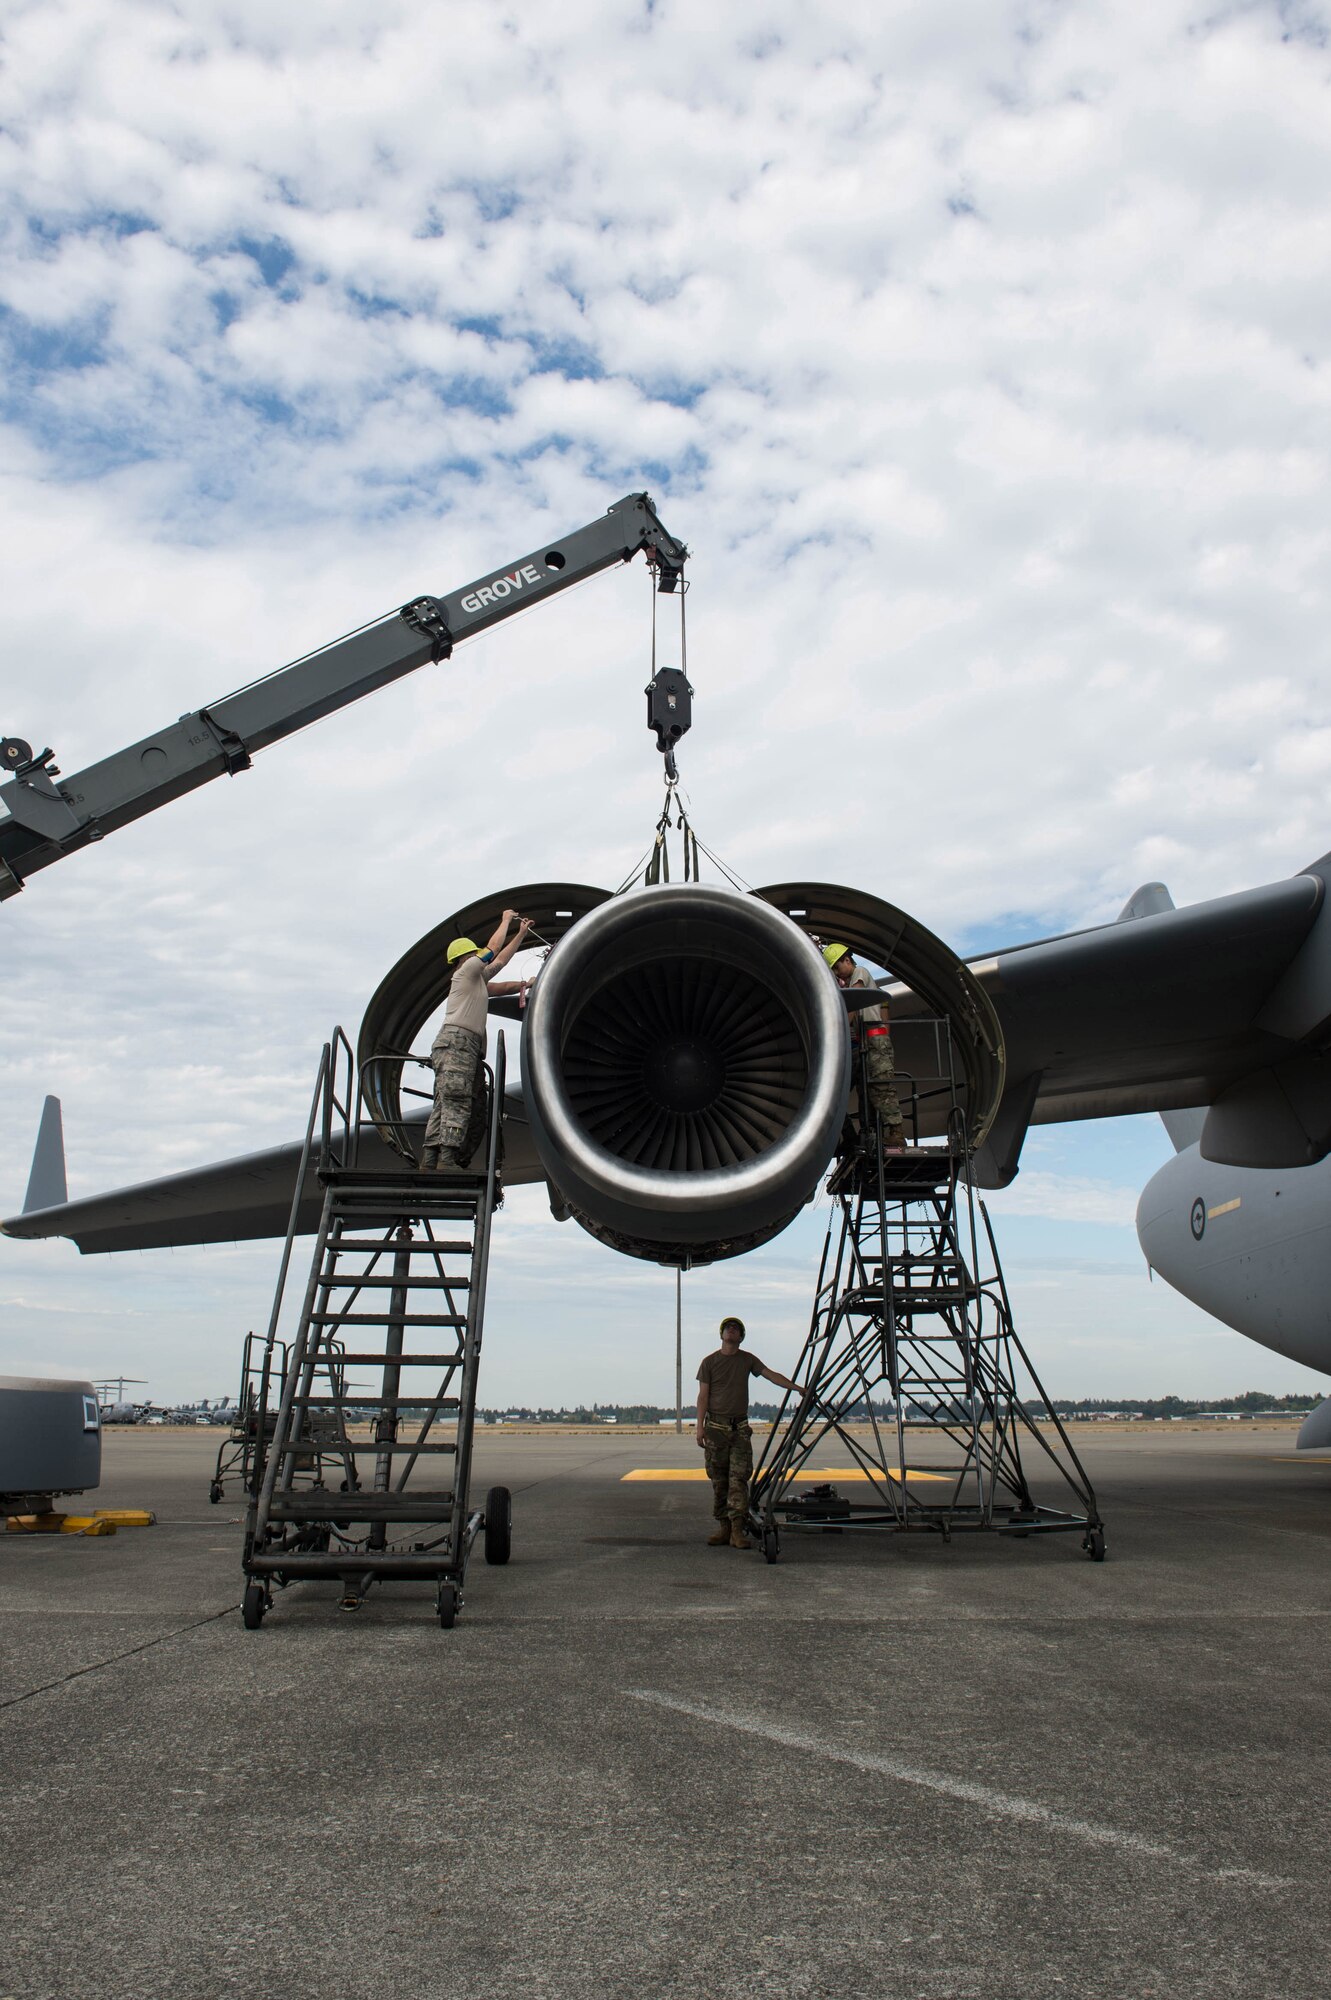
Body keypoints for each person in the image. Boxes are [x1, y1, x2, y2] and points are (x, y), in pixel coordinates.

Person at [420, 909, 532, 1172]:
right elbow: (493, 949)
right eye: (474, 954)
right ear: (465, 958)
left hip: (456, 1044)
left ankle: (430, 1160)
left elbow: (500, 966)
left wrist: (521, 935)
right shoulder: (467, 971)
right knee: (458, 1099)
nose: (477, 957)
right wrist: (505, 920)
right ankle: (447, 1159)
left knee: (444, 1101)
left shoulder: (475, 981)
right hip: (458, 1043)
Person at [695, 1317, 805, 1549]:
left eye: (736, 1328)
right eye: (728, 1328)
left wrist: (797, 1388)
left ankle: (737, 1530)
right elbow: (703, 1396)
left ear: (741, 1337)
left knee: (738, 1480)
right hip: (715, 1430)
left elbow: (771, 1375)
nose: (731, 1330)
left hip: (740, 1431)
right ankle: (724, 1528)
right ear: (721, 1334)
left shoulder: (747, 1360)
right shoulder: (709, 1362)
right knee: (719, 1481)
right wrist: (700, 1427)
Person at [822, 942, 906, 1152]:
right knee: (864, 1091)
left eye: (837, 967)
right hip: (867, 1042)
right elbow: (882, 1004)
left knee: (880, 1087)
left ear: (847, 960)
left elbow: (855, 1000)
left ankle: (896, 1133)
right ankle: (862, 1134)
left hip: (874, 1040)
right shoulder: (863, 982)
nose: (837, 973)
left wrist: (839, 1027)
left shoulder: (860, 973)